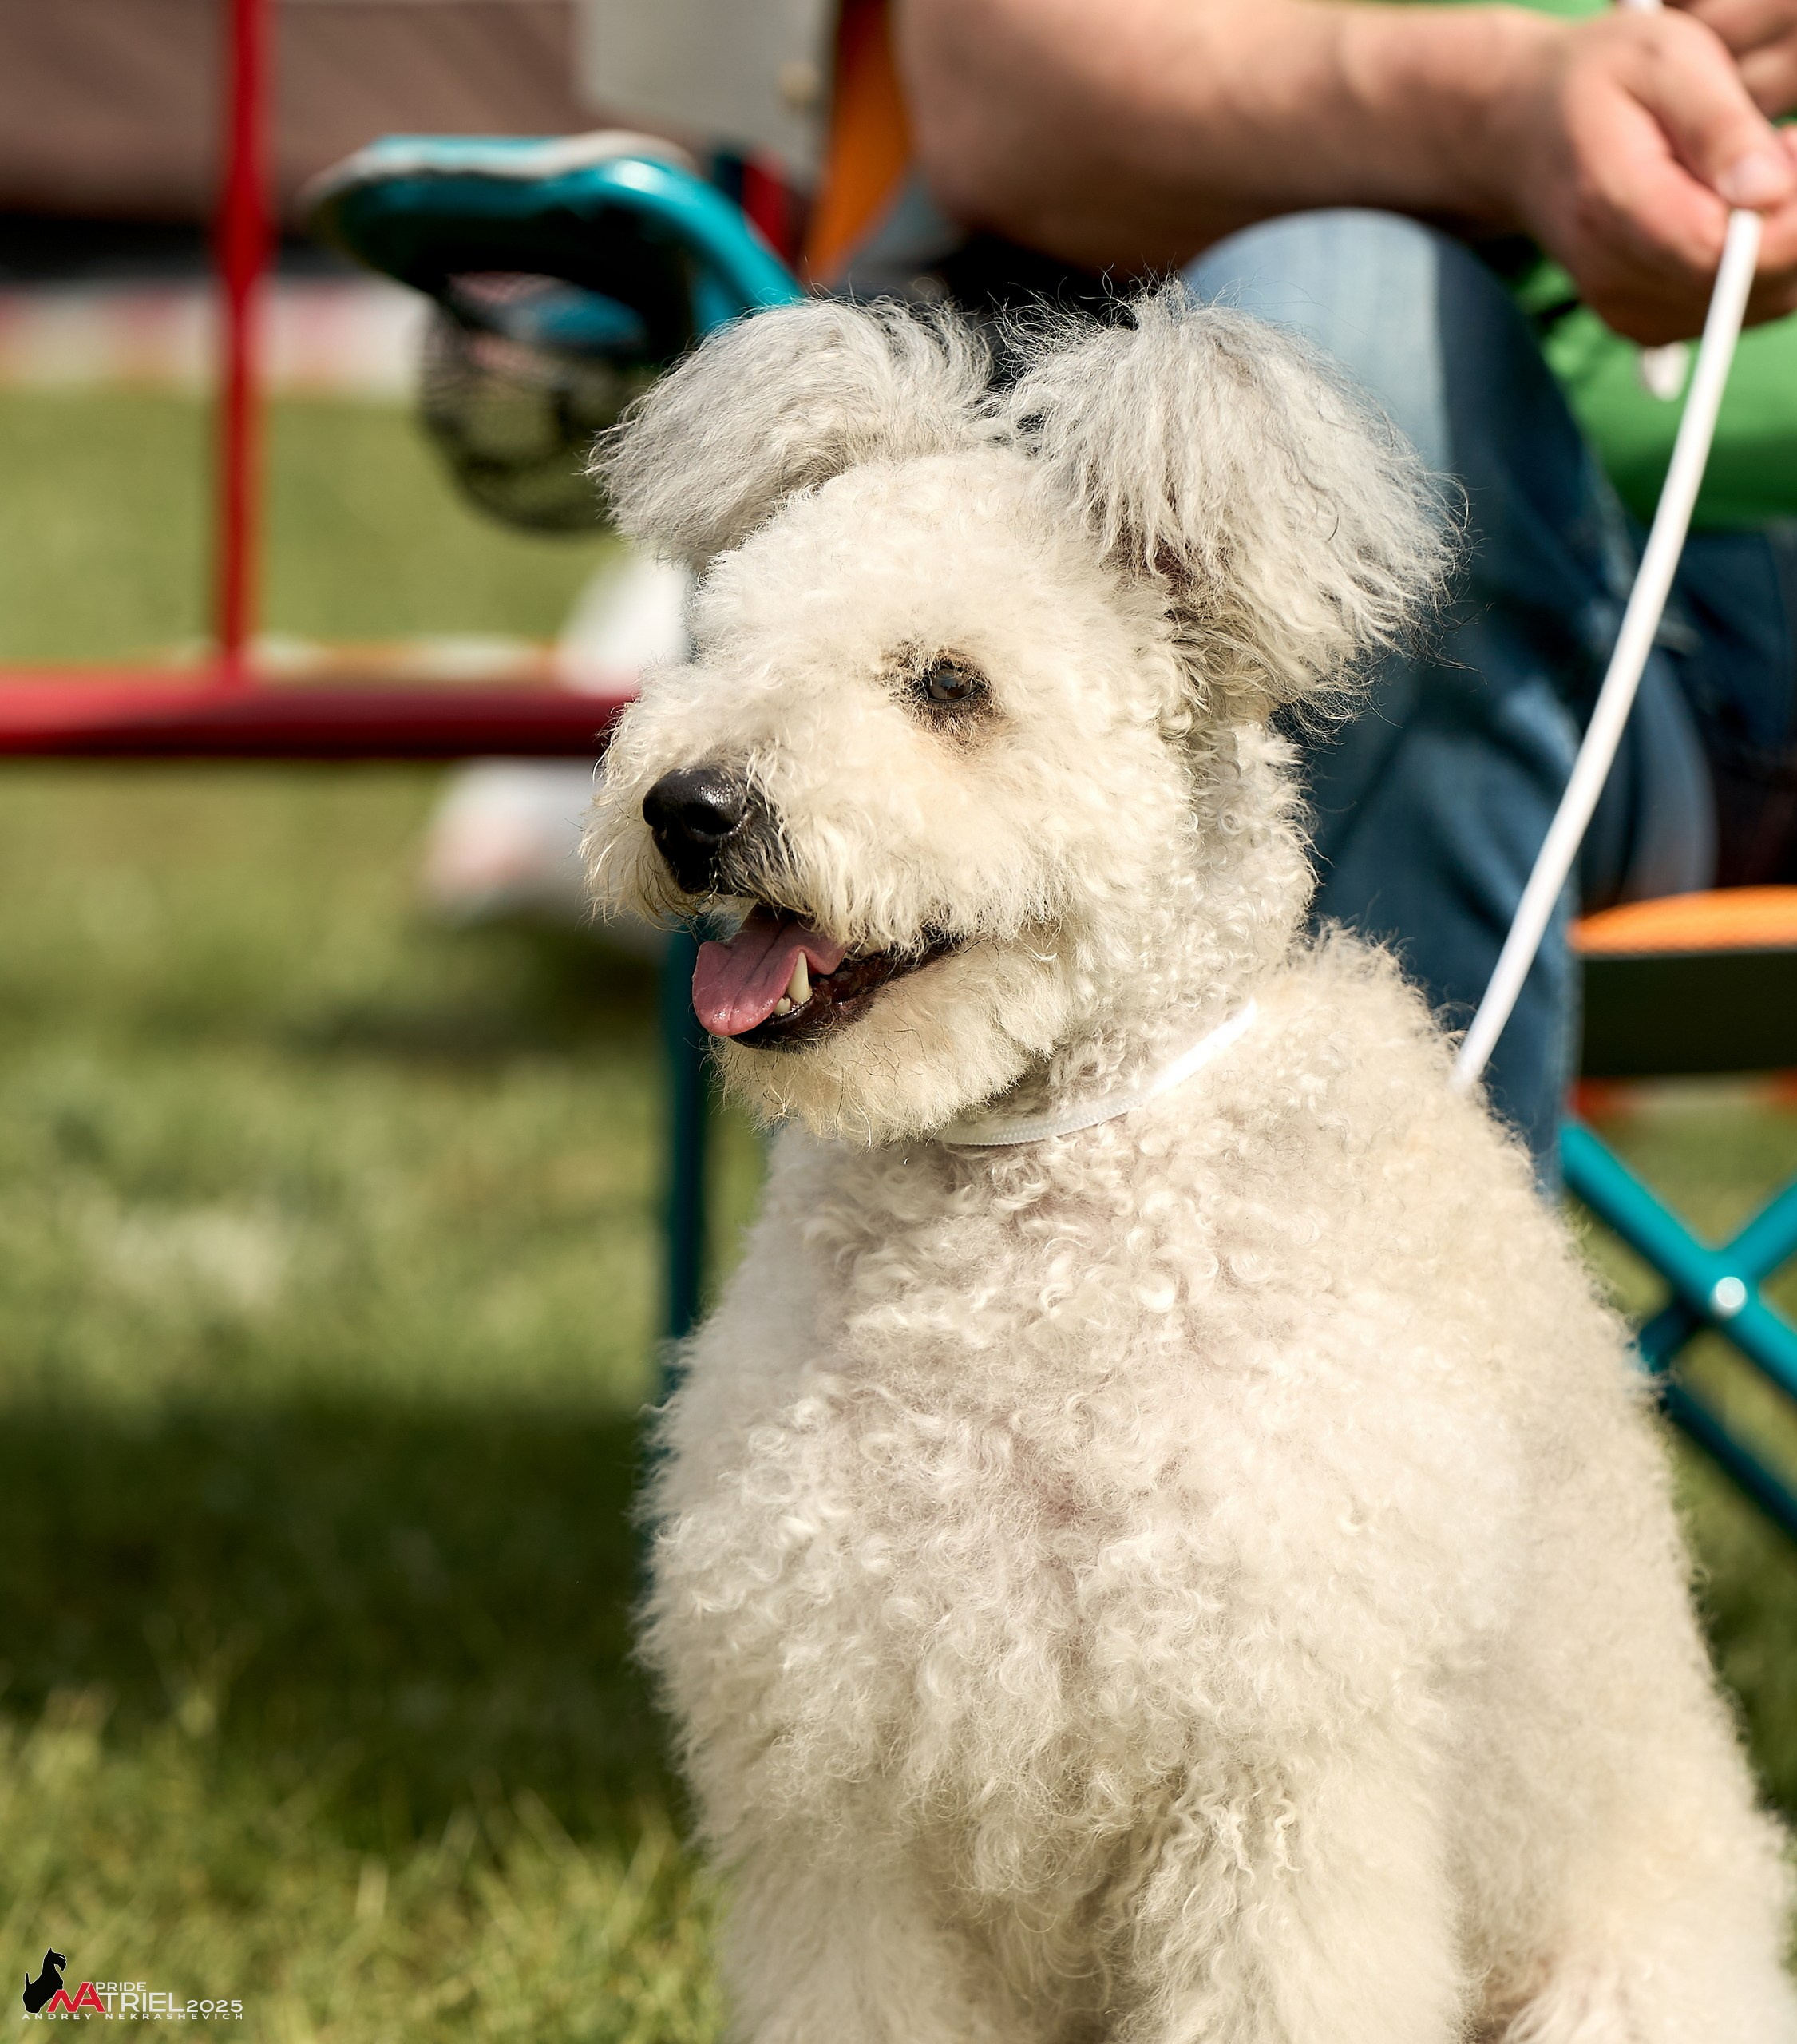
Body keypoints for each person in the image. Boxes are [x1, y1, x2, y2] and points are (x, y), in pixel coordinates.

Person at [808, 0, 1797, 1166]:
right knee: (1344, 325)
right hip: (1539, 632)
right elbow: (995, 83)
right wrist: (1496, 113)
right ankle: (1346, 1290)